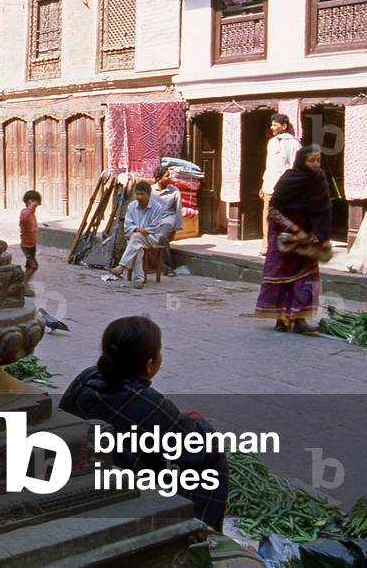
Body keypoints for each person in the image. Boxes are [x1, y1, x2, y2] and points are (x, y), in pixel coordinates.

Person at [60, 315, 228, 530]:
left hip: (83, 468)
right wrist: (201, 426)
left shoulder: (87, 378)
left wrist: (183, 421)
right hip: (119, 480)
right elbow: (189, 447)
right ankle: (197, 525)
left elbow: (64, 414)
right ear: (150, 364)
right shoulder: (152, 403)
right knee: (209, 450)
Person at [254, 145, 331, 334]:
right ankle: (281, 318)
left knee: (306, 277)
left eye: (318, 160)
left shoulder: (319, 179)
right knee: (281, 276)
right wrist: (295, 229)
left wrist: (317, 234)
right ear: (301, 161)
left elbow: (324, 209)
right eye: (311, 160)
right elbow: (273, 209)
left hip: (307, 238)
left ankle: (300, 319)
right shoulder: (289, 179)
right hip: (284, 236)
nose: (315, 164)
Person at [259, 113, 302, 256]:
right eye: (271, 124)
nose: (272, 127)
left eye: (275, 125)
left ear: (284, 126)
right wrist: (263, 184)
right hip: (269, 186)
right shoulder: (271, 142)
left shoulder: (294, 144)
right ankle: (267, 245)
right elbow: (269, 166)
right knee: (267, 216)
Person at [109, 181, 165, 289]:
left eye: (142, 194)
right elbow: (128, 225)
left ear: (148, 194)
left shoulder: (157, 207)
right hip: (135, 239)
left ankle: (121, 266)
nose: (139, 197)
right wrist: (138, 230)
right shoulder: (131, 206)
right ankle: (139, 280)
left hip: (151, 239)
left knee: (135, 238)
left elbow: (155, 227)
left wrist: (137, 231)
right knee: (137, 248)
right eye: (137, 194)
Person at [149, 165, 183, 276]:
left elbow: (178, 209)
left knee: (161, 236)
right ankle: (154, 264)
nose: (170, 177)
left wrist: (177, 226)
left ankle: (167, 268)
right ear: (158, 178)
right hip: (153, 220)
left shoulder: (174, 191)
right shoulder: (150, 190)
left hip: (168, 218)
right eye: (167, 176)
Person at [20, 190, 41, 297]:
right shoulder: (25, 212)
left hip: (32, 245)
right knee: (34, 266)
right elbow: (24, 218)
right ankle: (23, 284)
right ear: (28, 201)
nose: (34, 205)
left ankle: (23, 283)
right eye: (32, 201)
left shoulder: (32, 214)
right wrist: (31, 207)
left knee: (30, 266)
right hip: (26, 245)